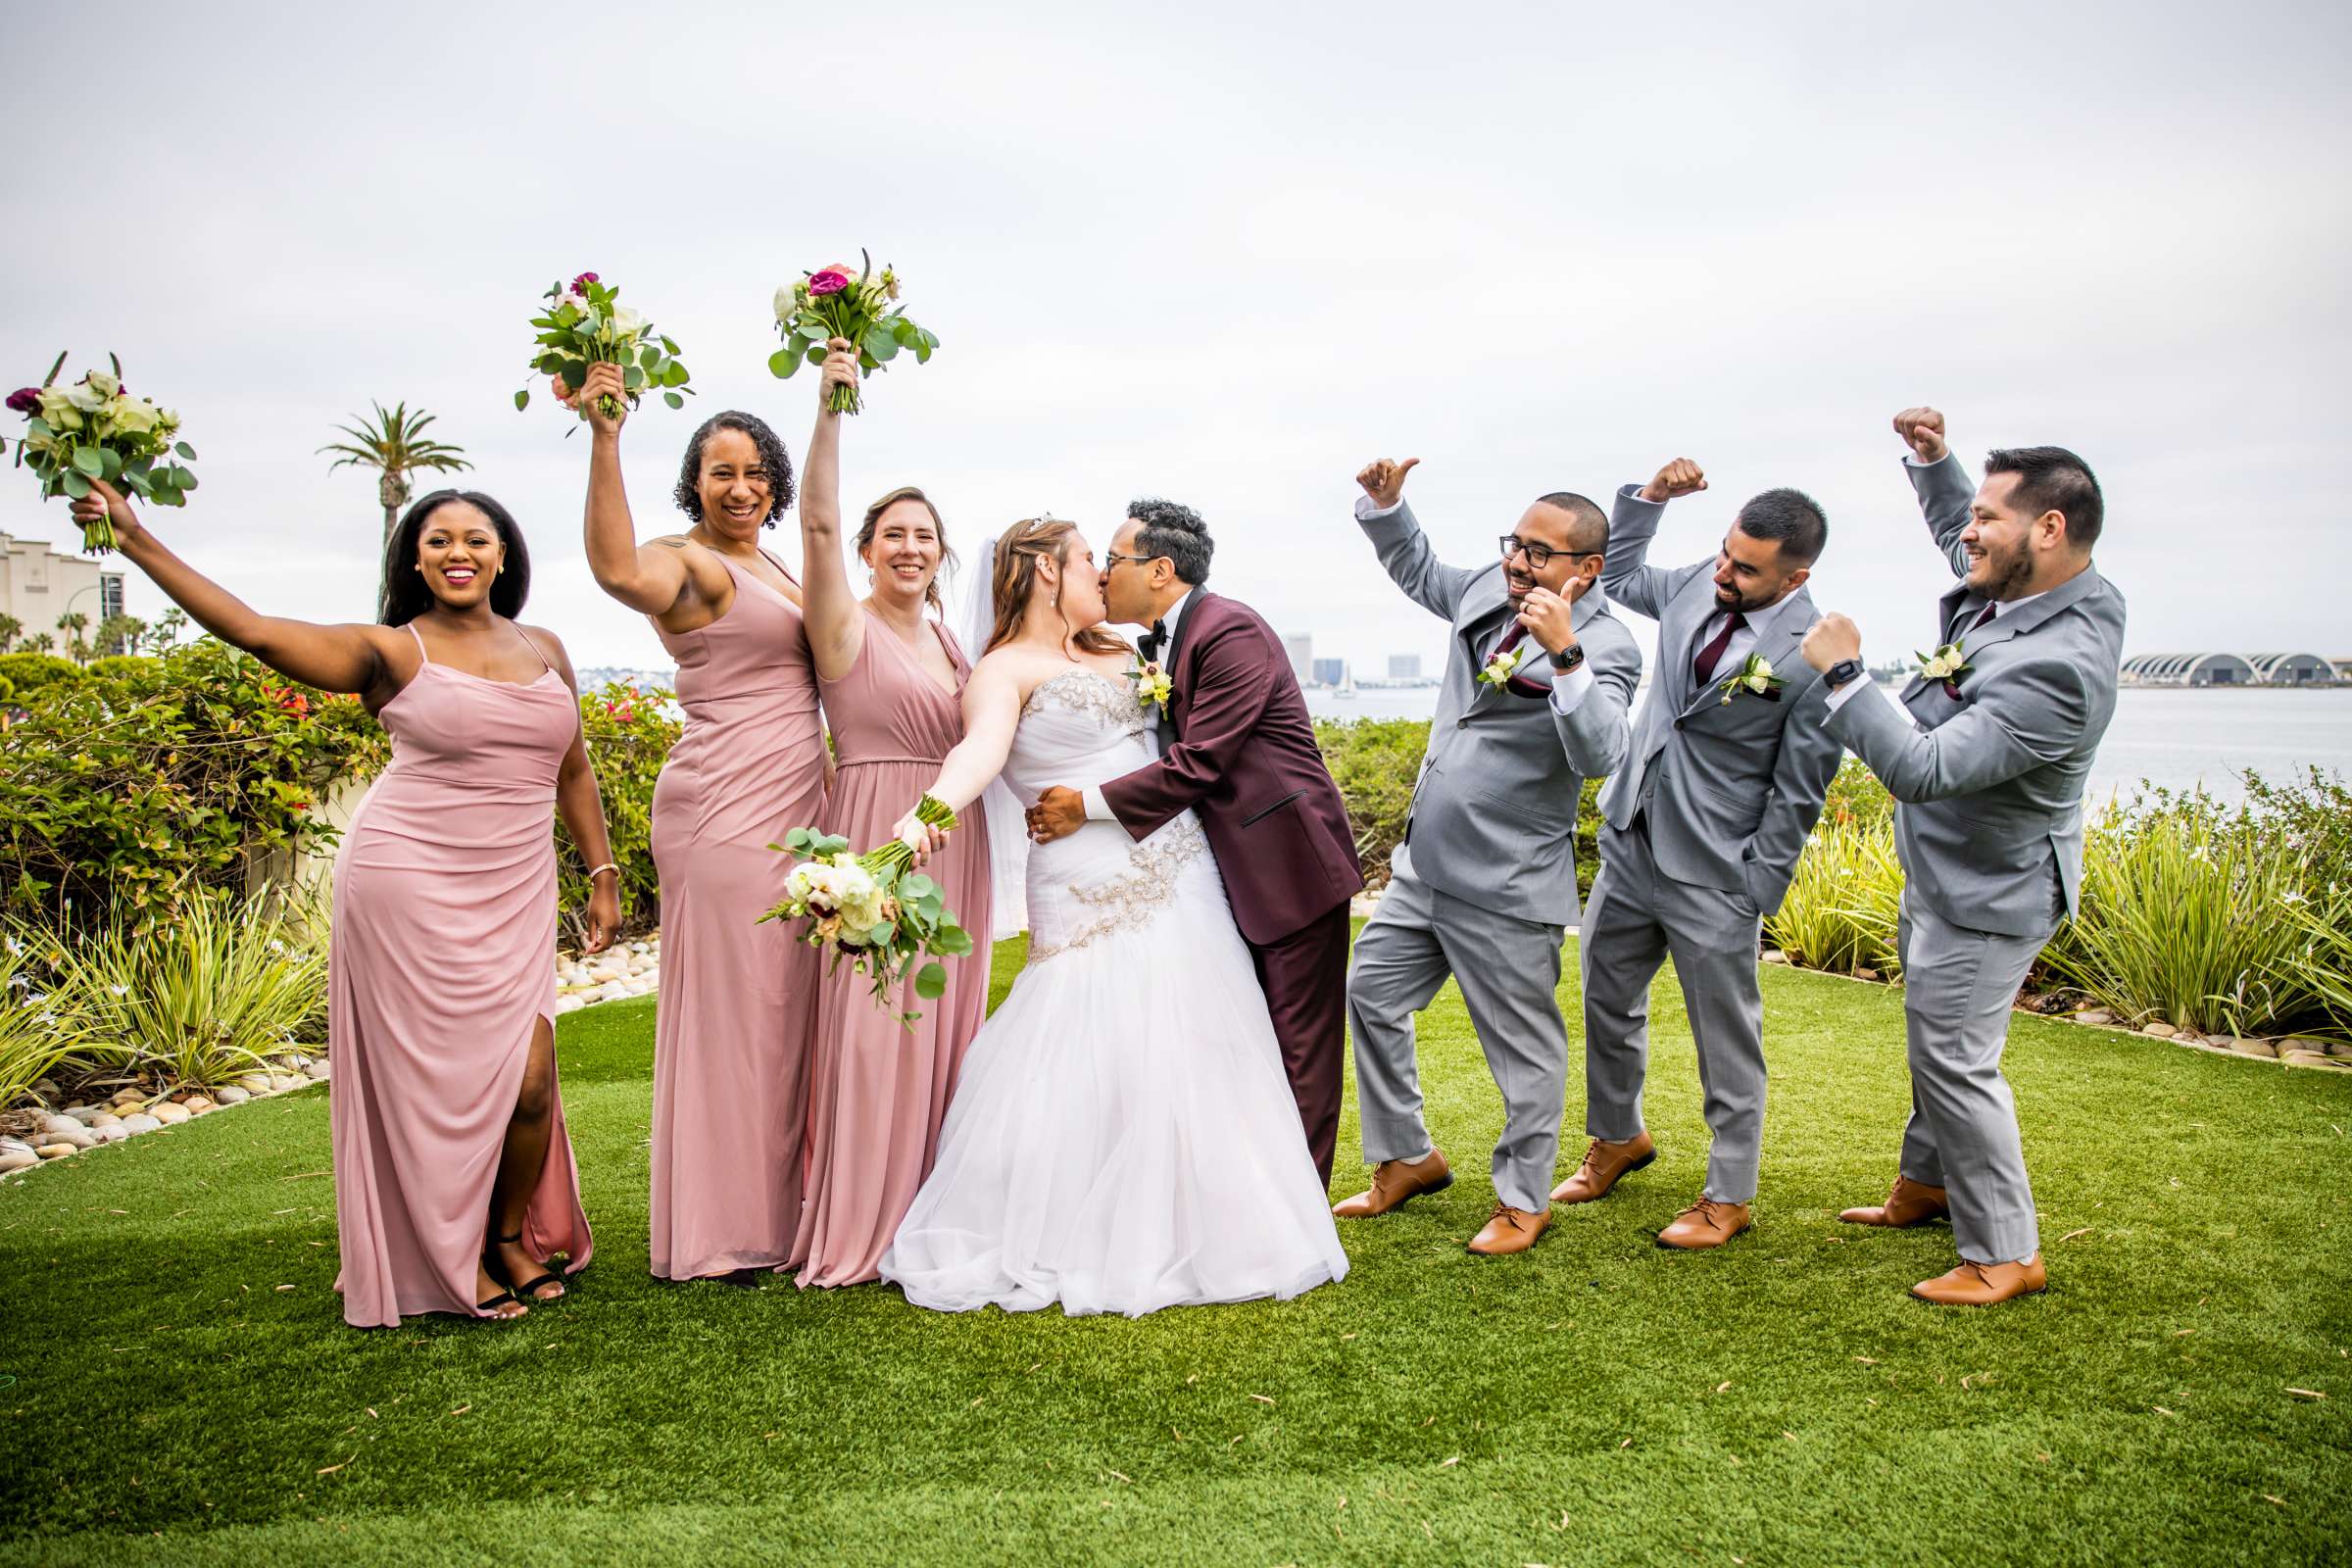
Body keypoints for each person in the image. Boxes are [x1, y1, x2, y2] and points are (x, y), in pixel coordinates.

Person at [77, 477, 615, 1326]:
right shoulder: (392, 650)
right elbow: (253, 631)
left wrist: (603, 872)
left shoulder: (544, 646)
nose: (457, 553)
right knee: (434, 1085)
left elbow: (573, 768)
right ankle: (446, 1255)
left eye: (475, 538)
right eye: (436, 541)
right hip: (408, 882)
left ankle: (507, 1234)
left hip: (514, 888)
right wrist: (136, 539)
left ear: (505, 555)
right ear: (412, 559)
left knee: (532, 1085)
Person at [877, 517, 1348, 1316]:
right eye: (1091, 558)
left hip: (1181, 867)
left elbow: (1186, 753)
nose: (1103, 570)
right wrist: (925, 814)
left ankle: (1226, 1213)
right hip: (1083, 875)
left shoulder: (1128, 653)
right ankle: (1072, 1226)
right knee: (1087, 1032)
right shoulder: (1002, 669)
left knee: (1203, 1036)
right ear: (1044, 572)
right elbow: (981, 751)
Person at [1801, 406, 2126, 1306]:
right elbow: (1964, 539)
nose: (1968, 535)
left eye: (1988, 518)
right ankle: (1928, 1183)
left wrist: (1843, 677)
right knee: (1934, 1040)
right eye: (1973, 514)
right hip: (1952, 869)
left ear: (2048, 529)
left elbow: (1922, 768)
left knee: (1955, 1057)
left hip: (1993, 887)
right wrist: (1937, 463)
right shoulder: (2052, 581)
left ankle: (2004, 1252)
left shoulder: (2059, 663)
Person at [1336, 458, 1640, 1255]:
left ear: (1588, 569)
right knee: (1369, 991)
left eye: (1539, 551)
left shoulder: (1608, 644)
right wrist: (1389, 506)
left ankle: (1522, 1199)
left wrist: (1565, 653)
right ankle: (1407, 1157)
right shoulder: (1484, 590)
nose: (1517, 560)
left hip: (1506, 884)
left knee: (1522, 1051)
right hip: (1423, 867)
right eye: (1515, 542)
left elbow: (1601, 752)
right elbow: (1419, 568)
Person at [568, 362, 825, 1285]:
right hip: (725, 806)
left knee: (787, 1011)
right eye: (722, 471)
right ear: (695, 481)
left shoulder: (775, 564)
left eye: (756, 471)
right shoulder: (688, 561)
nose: (742, 486)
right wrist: (606, 437)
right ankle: (723, 1230)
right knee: (737, 1015)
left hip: (797, 800)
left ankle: (783, 1209)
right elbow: (611, 568)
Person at [1021, 497, 1361, 1186]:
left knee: (1300, 1048)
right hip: (1229, 870)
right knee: (1252, 1041)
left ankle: (1298, 1207)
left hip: (1289, 867)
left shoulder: (1229, 630)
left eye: (1113, 560)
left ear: (1160, 571)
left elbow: (1202, 761)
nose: (1105, 572)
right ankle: (1255, 1190)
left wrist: (1083, 807)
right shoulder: (1162, 639)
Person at [1559, 460, 1842, 1249]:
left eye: (1746, 568)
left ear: (1794, 578)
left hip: (1718, 871)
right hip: (1633, 835)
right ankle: (1618, 1138)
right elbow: (1614, 572)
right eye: (1724, 552)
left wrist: (1757, 881)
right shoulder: (1697, 584)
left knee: (1726, 1037)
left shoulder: (1811, 654)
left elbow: (1803, 788)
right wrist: (1648, 501)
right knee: (1604, 997)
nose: (1725, 571)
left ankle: (1729, 1193)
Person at [788, 344, 993, 1288]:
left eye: (925, 536)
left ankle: (931, 1211)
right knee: (878, 1032)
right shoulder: (843, 626)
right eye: (894, 535)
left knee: (943, 1027)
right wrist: (832, 404)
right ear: (869, 551)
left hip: (958, 842)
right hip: (878, 830)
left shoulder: (952, 638)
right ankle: (862, 1224)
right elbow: (818, 524)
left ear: (940, 552)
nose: (910, 548)